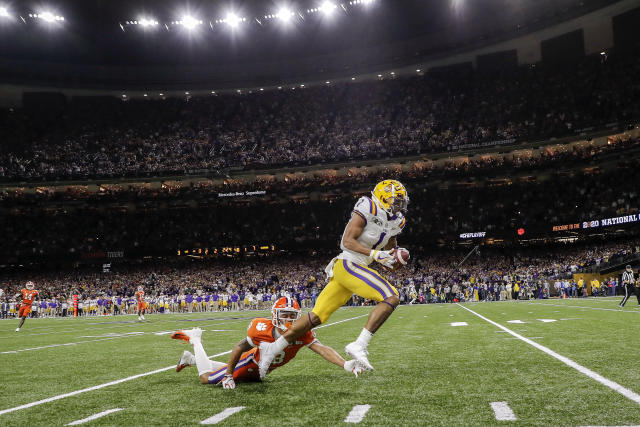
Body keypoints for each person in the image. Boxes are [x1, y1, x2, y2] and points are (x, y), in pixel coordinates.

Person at [256, 180, 408, 378]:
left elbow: (390, 245)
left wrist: (393, 258)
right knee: (392, 297)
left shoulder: (397, 221)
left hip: (356, 267)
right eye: (395, 201)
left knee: (316, 317)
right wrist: (375, 254)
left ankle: (273, 348)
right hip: (349, 263)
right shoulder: (368, 206)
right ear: (382, 198)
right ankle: (359, 344)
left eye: (401, 202)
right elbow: (347, 241)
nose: (399, 206)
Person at [170, 297, 364, 388]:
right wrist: (229, 375)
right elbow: (239, 347)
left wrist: (345, 364)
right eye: (284, 315)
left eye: (292, 316)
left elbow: (322, 349)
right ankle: (196, 339)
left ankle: (192, 359)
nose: (288, 320)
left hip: (258, 371)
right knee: (206, 378)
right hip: (250, 364)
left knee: (230, 372)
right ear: (274, 315)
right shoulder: (261, 329)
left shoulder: (301, 332)